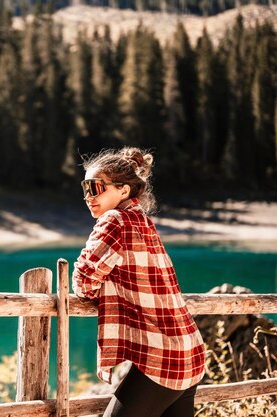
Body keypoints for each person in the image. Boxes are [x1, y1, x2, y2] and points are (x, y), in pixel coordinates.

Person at [72, 147, 206, 417]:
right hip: (189, 349)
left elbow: (83, 281)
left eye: (96, 187)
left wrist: (102, 288)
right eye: (85, 187)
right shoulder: (141, 219)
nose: (89, 196)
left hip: (163, 355)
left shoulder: (114, 220)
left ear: (123, 190)